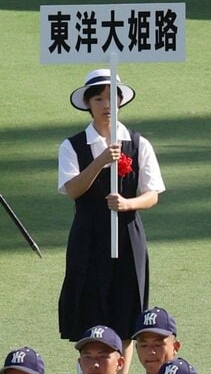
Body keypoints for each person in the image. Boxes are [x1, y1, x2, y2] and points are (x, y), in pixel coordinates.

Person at [57, 68, 163, 347]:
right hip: (88, 234)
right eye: (98, 99)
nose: (106, 105)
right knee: (87, 305)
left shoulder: (138, 144)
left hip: (128, 235)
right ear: (88, 105)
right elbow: (72, 189)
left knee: (127, 315)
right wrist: (101, 160)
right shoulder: (73, 146)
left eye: (110, 98)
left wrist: (129, 204)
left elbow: (152, 194)